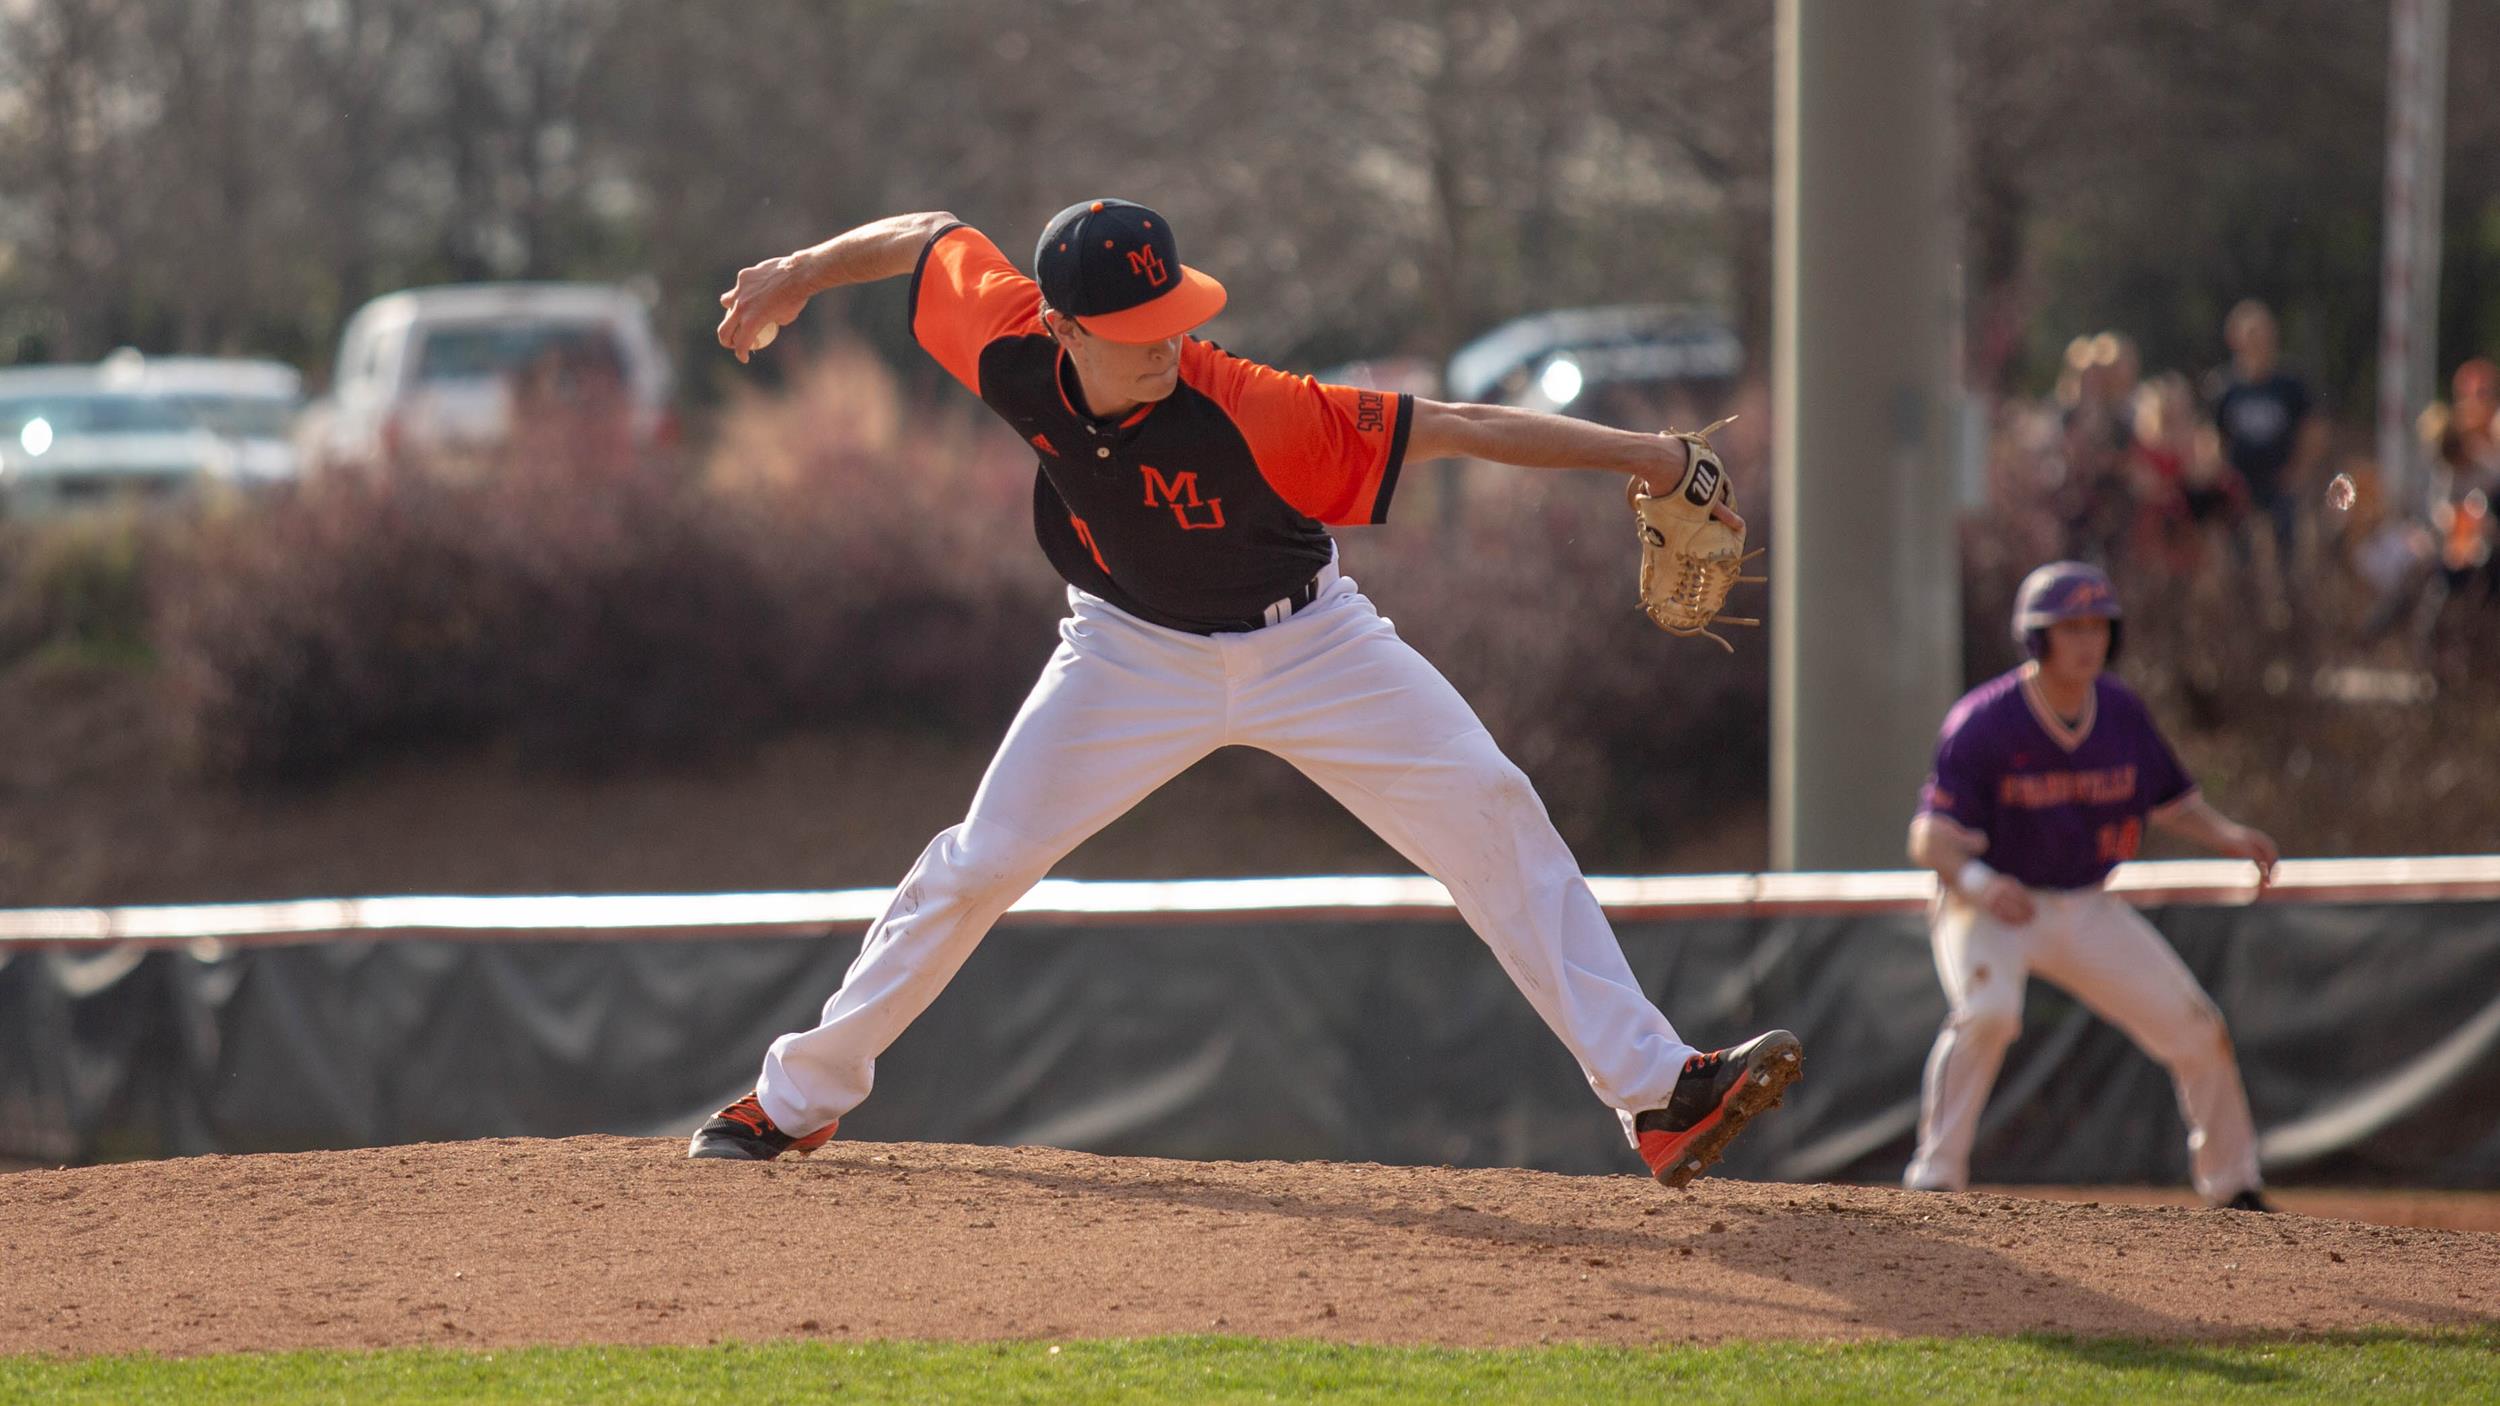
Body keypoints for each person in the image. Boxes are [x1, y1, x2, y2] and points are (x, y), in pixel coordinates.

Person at [688, 198, 1802, 1186]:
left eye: (1173, 311)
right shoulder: (1007, 342)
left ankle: (1659, 1093)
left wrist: (1649, 459)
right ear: (1062, 327)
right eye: (1134, 330)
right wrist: (797, 269)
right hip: (1126, 653)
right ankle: (796, 1098)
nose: (1167, 340)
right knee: (977, 862)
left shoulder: (1252, 407)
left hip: (1312, 645)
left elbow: (1454, 427)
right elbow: (926, 235)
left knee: (1492, 807)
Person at [1901, 561, 2280, 1211]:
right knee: (1989, 1014)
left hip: (2084, 905)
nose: (2087, 641)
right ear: (2035, 638)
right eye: (2068, 626)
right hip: (1993, 906)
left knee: (2196, 1028)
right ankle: (1934, 1180)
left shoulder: (2121, 713)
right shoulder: (1985, 722)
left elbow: (2170, 800)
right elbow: (1927, 839)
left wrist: (2226, 834)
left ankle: (2234, 1184)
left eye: (2098, 626)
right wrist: (1980, 882)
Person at [2210, 301, 2324, 622]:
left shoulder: (2289, 384)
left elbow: (2313, 429)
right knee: (2240, 559)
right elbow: (2216, 436)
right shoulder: (2226, 386)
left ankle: (2293, 622)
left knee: (2289, 556)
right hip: (2241, 486)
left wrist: (2298, 471)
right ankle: (2245, 624)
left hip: (2280, 483)